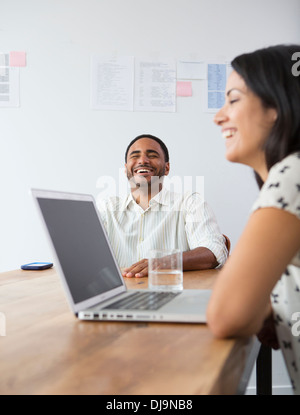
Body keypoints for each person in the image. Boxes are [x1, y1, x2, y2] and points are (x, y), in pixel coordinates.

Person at [207, 44, 300, 394]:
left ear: (276, 106)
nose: (218, 116)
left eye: (233, 99)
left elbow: (226, 315)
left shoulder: (292, 175)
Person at [97, 134, 228, 278]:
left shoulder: (190, 203)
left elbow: (214, 251)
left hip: (175, 295)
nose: (142, 160)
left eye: (152, 155)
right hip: (120, 297)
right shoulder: (106, 208)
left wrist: (163, 263)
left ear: (167, 168)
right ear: (126, 169)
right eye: (135, 156)